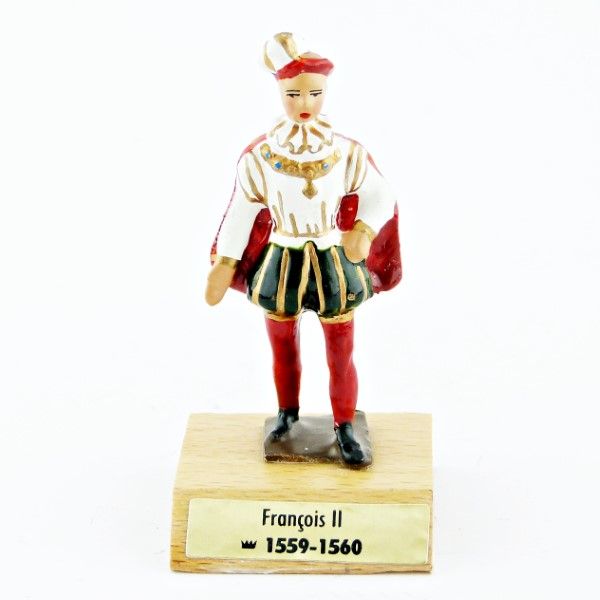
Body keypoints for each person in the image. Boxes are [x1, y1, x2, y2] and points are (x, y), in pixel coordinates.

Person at [205, 32, 401, 465]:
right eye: (293, 94)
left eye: (314, 93)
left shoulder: (345, 152)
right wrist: (226, 262)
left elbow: (380, 194)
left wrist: (364, 230)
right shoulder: (261, 157)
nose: (304, 102)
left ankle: (344, 424)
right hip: (282, 259)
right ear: (280, 93)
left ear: (326, 92)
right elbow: (241, 209)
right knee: (282, 346)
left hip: (333, 260)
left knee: (341, 350)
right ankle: (287, 415)